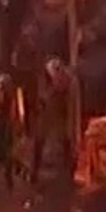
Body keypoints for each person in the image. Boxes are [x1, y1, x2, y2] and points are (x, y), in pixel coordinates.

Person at [31, 57, 75, 185]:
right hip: (50, 114)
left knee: (62, 140)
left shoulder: (62, 79)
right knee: (42, 141)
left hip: (55, 113)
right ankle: (35, 171)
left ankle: (69, 170)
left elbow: (59, 93)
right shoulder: (51, 79)